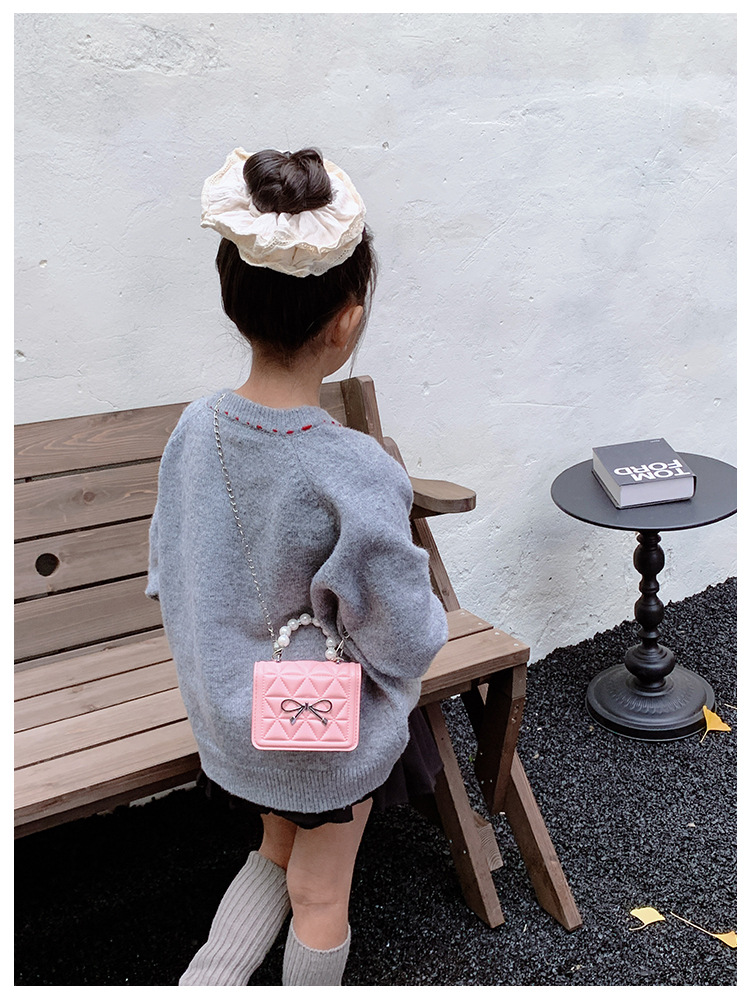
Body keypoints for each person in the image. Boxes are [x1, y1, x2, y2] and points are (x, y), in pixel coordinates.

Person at [147, 146, 448, 987]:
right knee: (321, 895)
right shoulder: (351, 468)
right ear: (346, 322)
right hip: (321, 729)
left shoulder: (195, 429)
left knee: (276, 853)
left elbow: (169, 566)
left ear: (232, 297)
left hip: (230, 715)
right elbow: (404, 636)